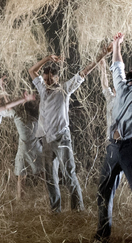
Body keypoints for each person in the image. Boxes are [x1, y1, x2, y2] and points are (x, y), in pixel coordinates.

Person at [29, 48, 110, 212]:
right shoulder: (42, 90)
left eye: (51, 78)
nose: (47, 82)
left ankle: (78, 209)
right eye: (45, 79)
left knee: (69, 174)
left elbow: (83, 73)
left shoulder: (64, 89)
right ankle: (55, 210)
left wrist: (100, 57)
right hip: (46, 139)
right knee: (50, 178)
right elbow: (31, 70)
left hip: (61, 138)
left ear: (57, 78)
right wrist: (48, 58)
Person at [96, 32, 132, 242]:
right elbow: (117, 67)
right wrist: (116, 45)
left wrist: (117, 46)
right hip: (113, 147)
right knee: (103, 190)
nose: (125, 79)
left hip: (129, 148)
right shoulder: (120, 89)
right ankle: (102, 235)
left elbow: (118, 67)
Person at [4, 86, 43, 200]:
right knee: (40, 174)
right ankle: (45, 197)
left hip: (28, 148)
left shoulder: (19, 115)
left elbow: (9, 105)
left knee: (23, 176)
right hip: (33, 147)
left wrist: (22, 98)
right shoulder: (35, 115)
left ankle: (21, 199)